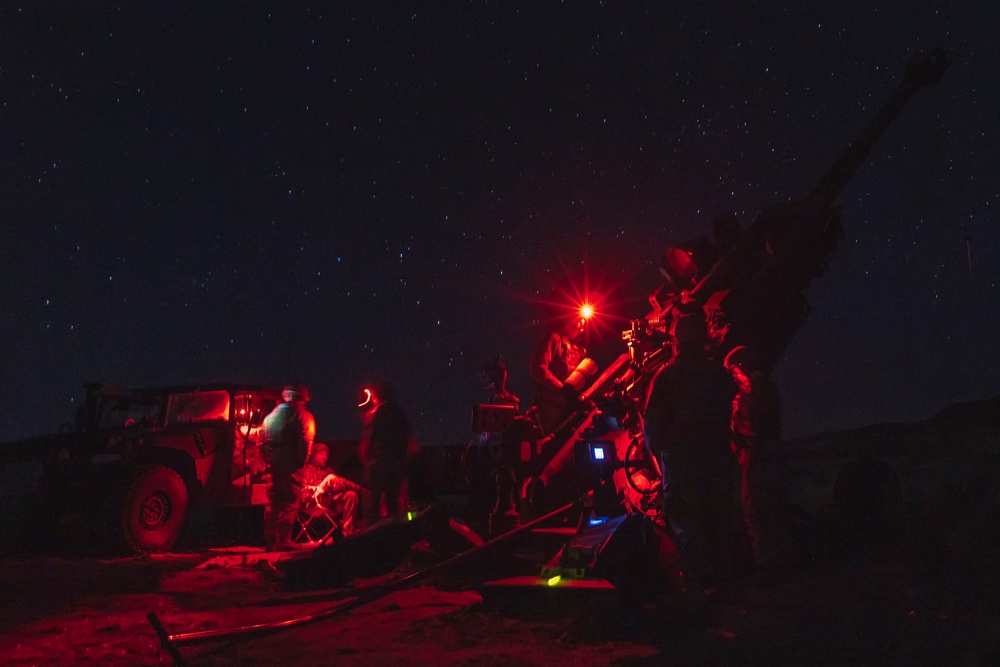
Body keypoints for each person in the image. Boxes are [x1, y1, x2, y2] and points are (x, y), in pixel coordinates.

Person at [643, 312, 739, 600]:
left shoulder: (668, 377)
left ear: (677, 340)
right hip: (717, 460)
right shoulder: (719, 375)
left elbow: (652, 426)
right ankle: (724, 588)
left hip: (682, 463)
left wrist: (662, 458)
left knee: (687, 525)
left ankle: (695, 592)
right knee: (719, 520)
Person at [724, 345, 791, 572]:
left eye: (732, 369)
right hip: (766, 452)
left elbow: (750, 424)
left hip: (758, 454)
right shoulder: (766, 387)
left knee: (756, 508)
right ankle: (776, 560)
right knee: (770, 507)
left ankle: (768, 565)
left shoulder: (752, 388)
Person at [261, 384, 316, 551]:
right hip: (291, 464)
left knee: (274, 502)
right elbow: (306, 442)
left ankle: (270, 540)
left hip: (274, 464)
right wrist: (301, 463)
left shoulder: (270, 417)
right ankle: (284, 541)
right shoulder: (302, 415)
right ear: (302, 398)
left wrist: (268, 461)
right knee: (289, 501)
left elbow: (262, 443)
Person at [359, 381, 412, 526]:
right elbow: (408, 439)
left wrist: (365, 461)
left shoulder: (375, 414)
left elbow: (369, 440)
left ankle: (372, 537)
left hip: (378, 464)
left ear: (376, 396)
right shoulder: (400, 413)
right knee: (393, 504)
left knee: (373, 503)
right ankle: (393, 535)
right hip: (397, 464)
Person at [528, 311, 590, 433]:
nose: (582, 322)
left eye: (584, 319)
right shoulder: (554, 340)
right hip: (550, 410)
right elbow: (537, 368)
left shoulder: (581, 351)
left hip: (570, 410)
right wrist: (562, 389)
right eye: (579, 318)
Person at [292, 443, 362, 537]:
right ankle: (362, 490)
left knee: (351, 495)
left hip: (330, 502)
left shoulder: (329, 470)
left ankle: (347, 533)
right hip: (313, 502)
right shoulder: (304, 471)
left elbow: (339, 484)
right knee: (330, 478)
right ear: (314, 455)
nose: (325, 457)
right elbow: (296, 487)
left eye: (326, 455)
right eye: (321, 454)